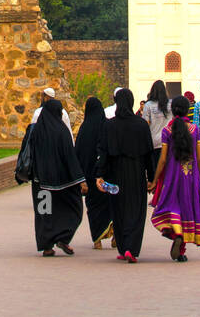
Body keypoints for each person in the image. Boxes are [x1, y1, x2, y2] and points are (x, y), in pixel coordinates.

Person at [97, 88, 155, 263]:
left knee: (119, 210)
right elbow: (148, 153)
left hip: (115, 174)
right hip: (136, 173)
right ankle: (132, 247)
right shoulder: (141, 125)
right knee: (136, 210)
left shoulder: (109, 125)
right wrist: (151, 178)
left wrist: (100, 175)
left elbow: (104, 152)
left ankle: (123, 248)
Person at [151, 95, 200, 261]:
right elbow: (199, 158)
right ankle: (181, 247)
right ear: (187, 110)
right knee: (186, 208)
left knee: (172, 207)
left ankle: (176, 233)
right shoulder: (194, 130)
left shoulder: (167, 131)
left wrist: (155, 180)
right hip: (190, 177)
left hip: (172, 178)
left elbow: (162, 159)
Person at [27, 98, 86, 256]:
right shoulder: (62, 131)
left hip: (41, 183)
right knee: (74, 209)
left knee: (44, 214)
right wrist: (80, 179)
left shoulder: (35, 131)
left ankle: (46, 245)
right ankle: (63, 237)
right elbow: (69, 156)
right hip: (62, 183)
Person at [74, 96, 113, 250]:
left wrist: (80, 177)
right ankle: (114, 233)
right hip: (106, 175)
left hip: (89, 176)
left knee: (93, 207)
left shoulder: (84, 129)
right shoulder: (108, 126)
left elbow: (78, 153)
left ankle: (97, 239)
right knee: (110, 204)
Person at [139, 80, 171, 180]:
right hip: (169, 142)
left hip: (154, 142)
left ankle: (156, 190)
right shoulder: (170, 104)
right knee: (167, 172)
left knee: (156, 171)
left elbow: (144, 124)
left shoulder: (148, 105)